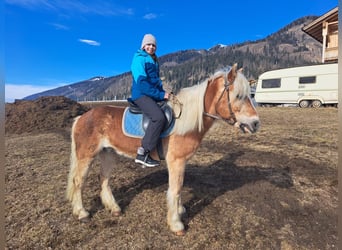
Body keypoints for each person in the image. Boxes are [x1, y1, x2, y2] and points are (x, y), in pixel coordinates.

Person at [130, 34, 170, 167]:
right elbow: (142, 83)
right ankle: (143, 153)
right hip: (141, 94)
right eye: (148, 44)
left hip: (151, 94)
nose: (151, 47)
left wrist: (164, 92)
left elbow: (155, 81)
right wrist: (160, 95)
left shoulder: (154, 60)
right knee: (158, 117)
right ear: (143, 46)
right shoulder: (139, 59)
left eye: (153, 45)